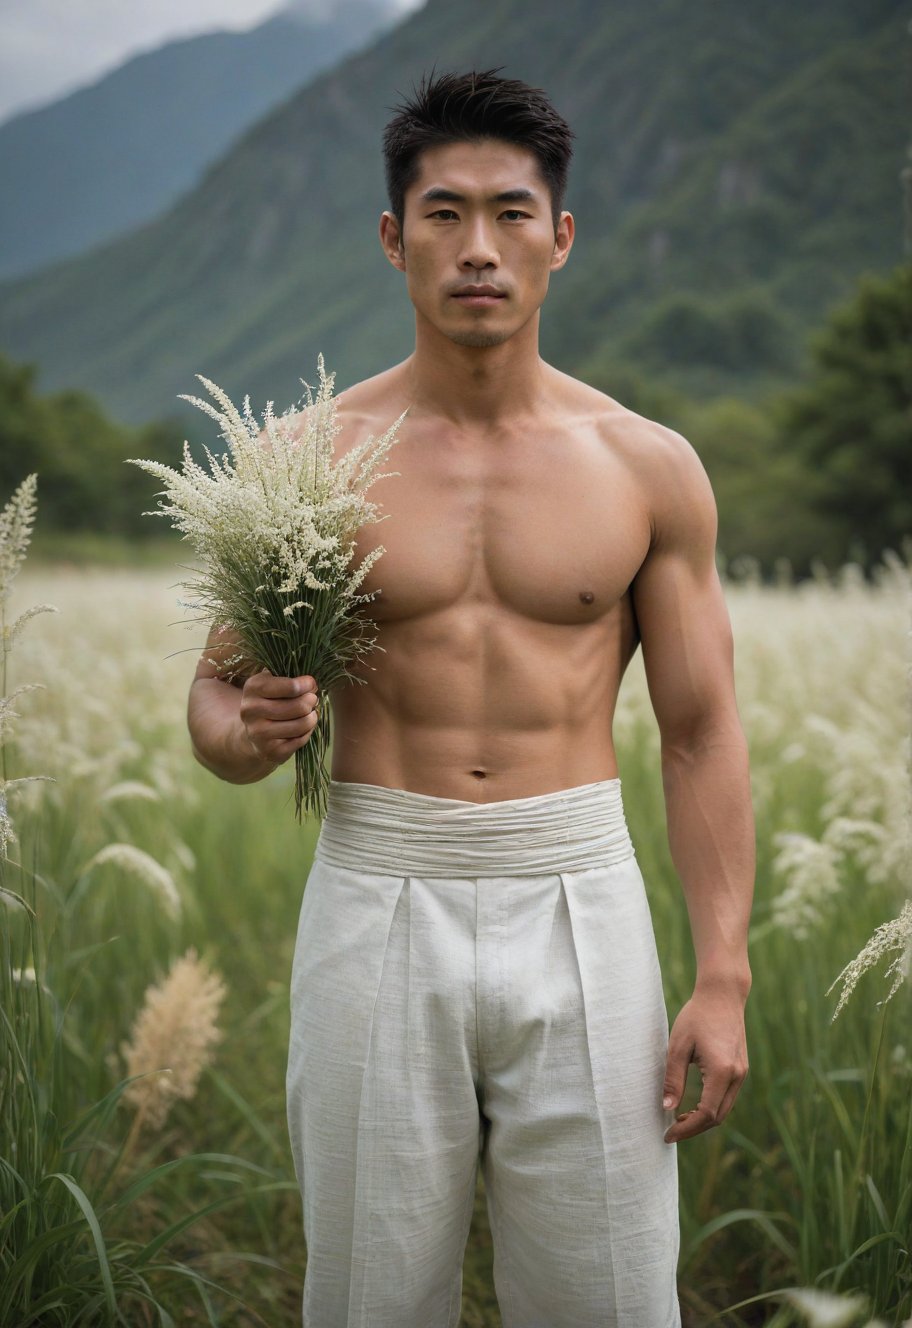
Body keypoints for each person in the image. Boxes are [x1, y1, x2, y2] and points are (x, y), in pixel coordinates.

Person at [187, 69, 754, 1328]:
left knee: (608, 1291)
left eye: (511, 212)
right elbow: (216, 704)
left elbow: (701, 728)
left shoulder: (646, 466)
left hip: (581, 892)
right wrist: (250, 731)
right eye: (443, 214)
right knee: (370, 1290)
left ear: (562, 235)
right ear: (395, 240)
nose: (478, 249)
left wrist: (723, 975)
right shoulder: (307, 459)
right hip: (379, 884)